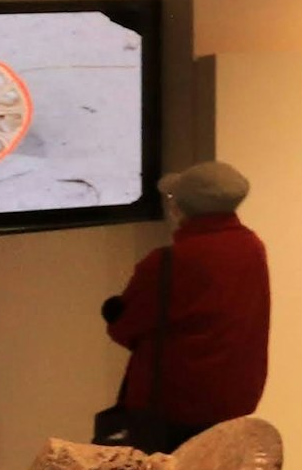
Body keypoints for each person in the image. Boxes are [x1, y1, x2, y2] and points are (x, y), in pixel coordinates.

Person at [98, 160, 271, 450]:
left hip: (172, 404)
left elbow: (124, 329)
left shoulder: (166, 262)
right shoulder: (253, 247)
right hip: (234, 398)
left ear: (181, 208)